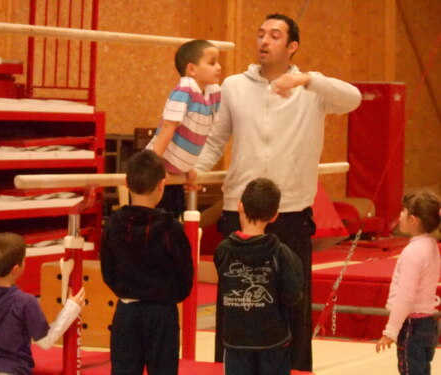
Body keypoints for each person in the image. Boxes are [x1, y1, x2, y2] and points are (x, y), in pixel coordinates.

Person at [195, 13, 362, 370]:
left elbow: (354, 98)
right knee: (236, 301)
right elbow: (215, 139)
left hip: (290, 214)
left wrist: (309, 79)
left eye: (274, 35)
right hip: (239, 210)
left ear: (292, 46)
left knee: (293, 302)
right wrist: (193, 170)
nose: (264, 41)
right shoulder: (235, 87)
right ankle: (228, 366)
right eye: (260, 35)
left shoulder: (312, 89)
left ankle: (297, 367)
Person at [101, 149, 194, 375]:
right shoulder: (171, 229)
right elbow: (185, 276)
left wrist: (126, 290)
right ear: (162, 185)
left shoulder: (114, 224)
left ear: (126, 183)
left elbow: (108, 270)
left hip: (127, 312)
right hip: (162, 314)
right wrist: (167, 296)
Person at [0, 232, 85, 374]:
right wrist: (71, 308)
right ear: (16, 269)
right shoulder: (25, 301)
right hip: (13, 370)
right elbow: (45, 341)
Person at [214, 178, 303, 375]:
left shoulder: (223, 250)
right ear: (274, 216)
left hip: (237, 340)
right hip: (272, 340)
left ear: (240, 206)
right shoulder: (281, 254)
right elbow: (293, 295)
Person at [145, 38, 222, 218]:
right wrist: (156, 166)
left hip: (174, 175)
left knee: (174, 219)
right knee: (155, 225)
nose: (218, 67)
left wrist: (188, 168)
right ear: (191, 69)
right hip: (154, 171)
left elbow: (198, 135)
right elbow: (167, 128)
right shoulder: (185, 90)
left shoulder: (213, 94)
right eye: (212, 62)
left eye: (218, 62)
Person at [376, 191, 440, 375]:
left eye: (402, 212)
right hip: (428, 323)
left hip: (413, 326)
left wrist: (390, 332)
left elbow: (405, 296)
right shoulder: (431, 246)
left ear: (413, 220)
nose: (400, 216)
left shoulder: (413, 252)